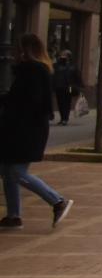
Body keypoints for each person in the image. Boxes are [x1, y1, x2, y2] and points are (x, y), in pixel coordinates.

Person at [1, 34, 73, 229]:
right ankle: (13, 216)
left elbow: (28, 102)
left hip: (25, 130)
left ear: (26, 50)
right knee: (7, 171)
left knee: (15, 172)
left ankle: (57, 201)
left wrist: (7, 102)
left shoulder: (32, 70)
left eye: (18, 48)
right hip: (25, 129)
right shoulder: (37, 70)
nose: (14, 52)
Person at [51, 50, 81, 126]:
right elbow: (53, 75)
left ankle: (65, 119)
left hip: (69, 87)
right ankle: (62, 118)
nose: (63, 56)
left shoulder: (72, 66)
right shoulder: (57, 65)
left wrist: (79, 86)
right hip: (59, 87)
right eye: (62, 54)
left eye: (65, 55)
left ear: (69, 56)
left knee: (67, 102)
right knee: (60, 103)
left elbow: (77, 77)